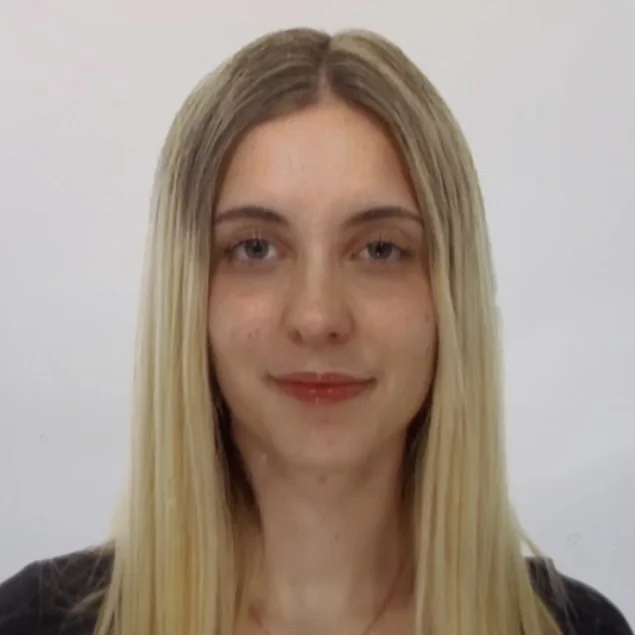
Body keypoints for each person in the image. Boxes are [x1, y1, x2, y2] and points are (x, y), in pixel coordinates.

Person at [0, 26, 631, 635]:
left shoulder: (575, 628)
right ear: (190, 296)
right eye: (255, 248)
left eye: (380, 249)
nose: (317, 317)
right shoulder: (31, 622)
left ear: (449, 295)